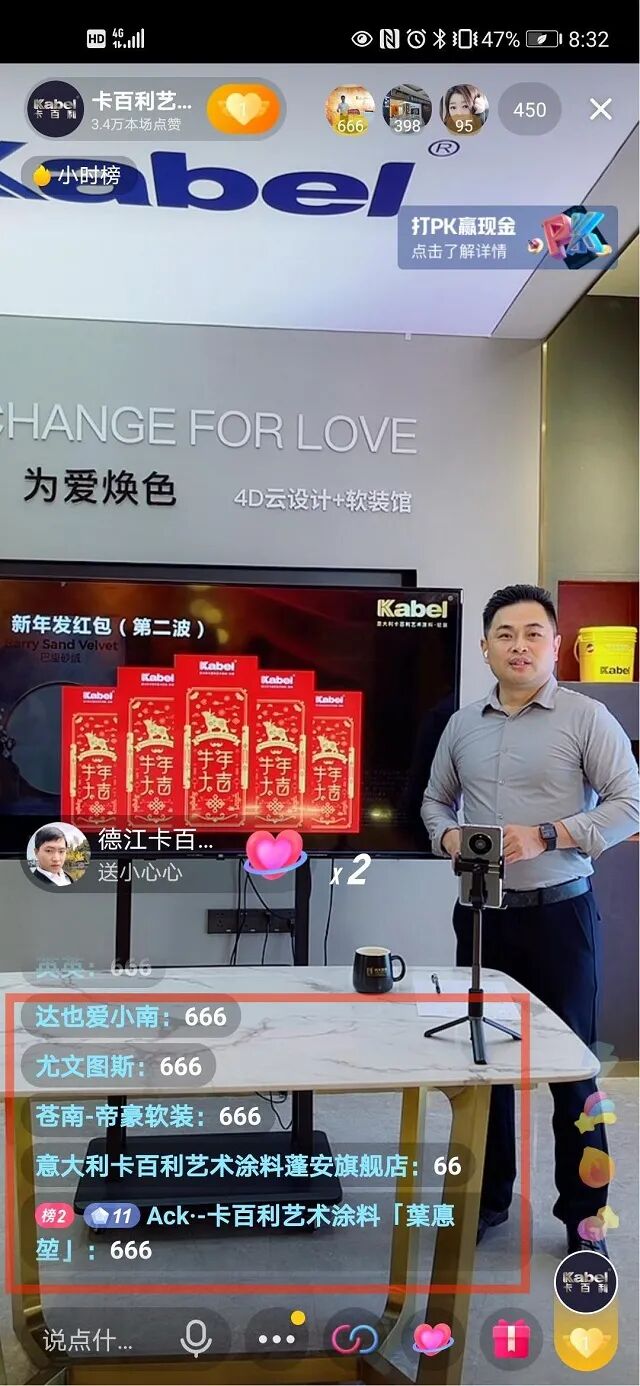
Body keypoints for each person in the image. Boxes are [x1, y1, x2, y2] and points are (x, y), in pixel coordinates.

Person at [421, 583, 639, 1255]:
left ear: (554, 644)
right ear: (485, 647)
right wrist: (447, 837)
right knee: (484, 1067)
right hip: (481, 918)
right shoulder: (462, 725)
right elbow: (435, 802)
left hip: (559, 918)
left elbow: (630, 804)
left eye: (533, 633)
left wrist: (550, 833)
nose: (520, 646)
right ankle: (489, 1201)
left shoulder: (586, 717)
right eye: (506, 634)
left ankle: (584, 1217)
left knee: (573, 1073)